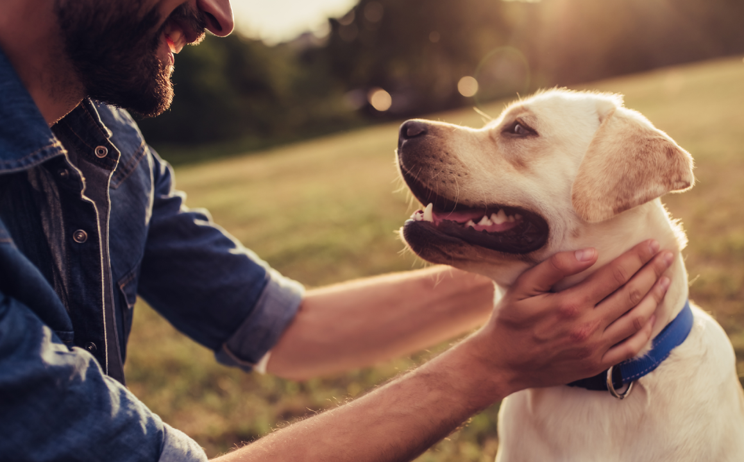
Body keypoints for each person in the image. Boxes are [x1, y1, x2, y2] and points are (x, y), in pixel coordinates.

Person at [0, 0, 673, 461]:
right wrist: (491, 364)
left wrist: (558, 265)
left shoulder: (111, 150)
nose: (221, 15)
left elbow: (288, 328)